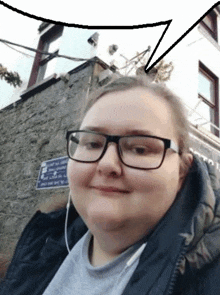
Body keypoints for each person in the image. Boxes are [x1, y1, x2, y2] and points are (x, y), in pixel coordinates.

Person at [1, 75, 220, 295]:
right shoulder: (39, 248)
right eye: (93, 143)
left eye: (139, 149)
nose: (107, 164)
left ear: (182, 171)